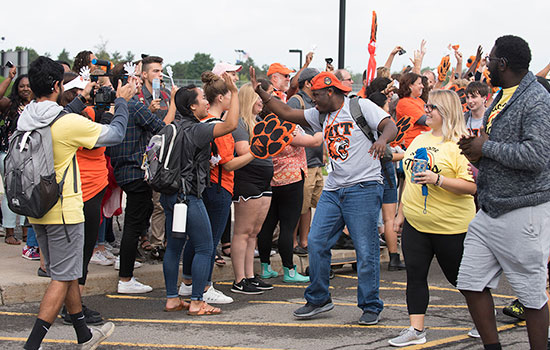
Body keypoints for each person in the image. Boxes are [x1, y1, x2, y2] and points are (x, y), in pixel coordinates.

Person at [249, 68, 397, 325]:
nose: (313, 99)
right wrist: (264, 94)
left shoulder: (359, 106)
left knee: (365, 250)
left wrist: (383, 140)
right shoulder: (321, 114)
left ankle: (370, 305)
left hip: (363, 188)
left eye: (316, 95)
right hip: (334, 190)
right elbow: (285, 112)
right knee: (316, 243)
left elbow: (389, 125)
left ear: (331, 91)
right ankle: (318, 299)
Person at [20, 56, 136, 350]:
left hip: (38, 207)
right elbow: (115, 134)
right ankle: (31, 345)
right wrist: (121, 103)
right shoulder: (67, 123)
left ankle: (84, 335)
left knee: (67, 271)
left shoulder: (28, 116)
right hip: (65, 210)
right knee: (62, 277)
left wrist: (82, 97)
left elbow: (57, 113)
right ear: (58, 85)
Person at [457, 35, 550, 350]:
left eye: (491, 59)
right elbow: (497, 147)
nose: (486, 64)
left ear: (503, 64)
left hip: (523, 208)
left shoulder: (536, 99)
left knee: (532, 295)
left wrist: (488, 147)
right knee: (470, 282)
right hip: (490, 208)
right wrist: (476, 152)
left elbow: (538, 156)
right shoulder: (501, 96)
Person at [388, 90, 476, 347]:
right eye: (426, 105)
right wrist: (400, 213)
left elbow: (471, 187)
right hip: (417, 223)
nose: (426, 110)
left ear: (446, 111)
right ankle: (416, 330)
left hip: (451, 226)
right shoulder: (419, 139)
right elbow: (410, 180)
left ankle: (483, 320)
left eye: (432, 107)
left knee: (461, 278)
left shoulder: (461, 142)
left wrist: (438, 179)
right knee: (415, 275)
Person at [160, 75, 239, 315]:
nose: (206, 101)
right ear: (192, 106)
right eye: (202, 98)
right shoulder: (198, 130)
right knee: (205, 247)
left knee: (174, 247)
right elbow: (230, 125)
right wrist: (234, 93)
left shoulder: (171, 126)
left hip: (169, 195)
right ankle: (197, 301)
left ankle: (172, 298)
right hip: (189, 196)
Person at [178, 71, 252, 304]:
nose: (233, 101)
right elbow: (228, 164)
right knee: (208, 242)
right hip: (218, 186)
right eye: (230, 95)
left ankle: (188, 283)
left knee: (197, 240)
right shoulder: (217, 127)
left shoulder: (201, 122)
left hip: (206, 186)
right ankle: (204, 285)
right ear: (220, 98)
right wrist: (256, 154)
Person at [107, 62, 176, 294]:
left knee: (136, 220)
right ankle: (125, 278)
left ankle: (123, 262)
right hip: (136, 170)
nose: (138, 82)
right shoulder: (134, 105)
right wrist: (174, 102)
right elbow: (163, 129)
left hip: (122, 169)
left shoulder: (116, 106)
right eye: (135, 78)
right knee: (134, 224)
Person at [230, 83, 274, 295]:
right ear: (249, 98)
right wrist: (267, 143)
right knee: (243, 231)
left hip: (264, 180)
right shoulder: (240, 123)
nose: (262, 101)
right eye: (259, 98)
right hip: (248, 179)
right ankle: (239, 279)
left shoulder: (258, 122)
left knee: (254, 232)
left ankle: (249, 276)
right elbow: (242, 150)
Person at [287, 68, 323, 256]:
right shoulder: (297, 100)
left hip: (316, 160)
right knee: (299, 205)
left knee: (308, 204)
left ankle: (305, 240)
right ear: (308, 83)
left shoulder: (316, 101)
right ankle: (292, 243)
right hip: (303, 161)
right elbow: (288, 126)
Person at [138, 55, 172, 256]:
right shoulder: (137, 96)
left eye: (161, 71)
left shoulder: (167, 95)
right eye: (155, 71)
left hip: (163, 155)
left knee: (161, 201)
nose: (159, 74)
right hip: (141, 155)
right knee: (142, 203)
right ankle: (140, 240)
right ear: (144, 74)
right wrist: (147, 111)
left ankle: (158, 242)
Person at [0, 67, 30, 245]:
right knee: (12, 192)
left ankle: (27, 234)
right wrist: (9, 79)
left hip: (29, 156)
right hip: (8, 155)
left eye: (28, 86)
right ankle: (10, 232)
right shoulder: (10, 105)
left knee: (28, 194)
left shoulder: (37, 106)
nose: (25, 89)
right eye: (21, 86)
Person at [395, 72, 430, 149]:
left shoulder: (419, 100)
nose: (422, 86)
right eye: (419, 84)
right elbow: (425, 120)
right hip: (412, 146)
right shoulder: (404, 102)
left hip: (422, 143)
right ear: (410, 86)